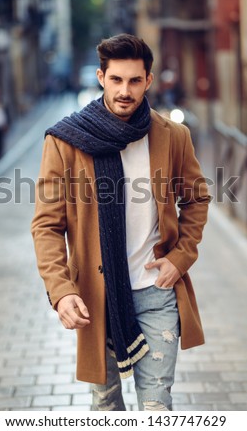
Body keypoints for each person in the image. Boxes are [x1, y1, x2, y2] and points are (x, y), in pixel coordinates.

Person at [31, 33, 211, 411]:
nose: (124, 90)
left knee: (156, 406)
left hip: (156, 292)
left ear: (148, 80)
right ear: (101, 77)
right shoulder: (66, 140)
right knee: (106, 406)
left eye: (134, 80)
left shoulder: (173, 136)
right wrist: (61, 290)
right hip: (95, 298)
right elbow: (47, 224)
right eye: (116, 79)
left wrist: (180, 258)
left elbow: (196, 199)